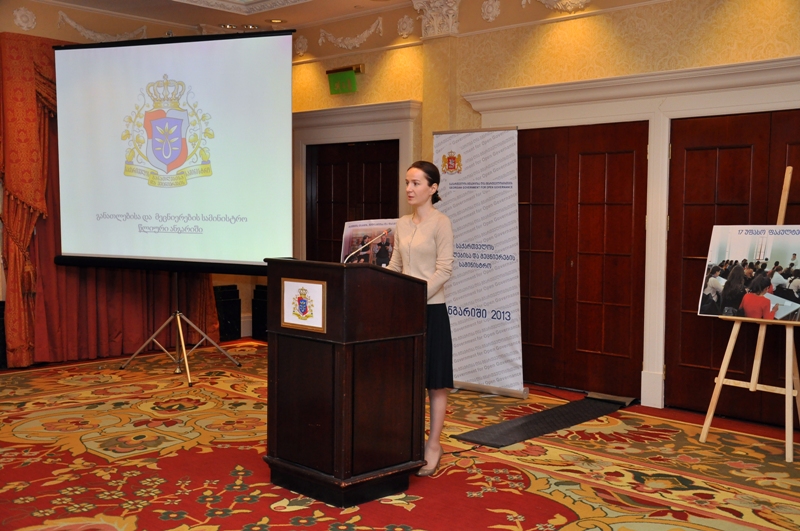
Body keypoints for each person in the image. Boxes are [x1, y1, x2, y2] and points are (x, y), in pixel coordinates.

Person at [387, 160, 454, 477]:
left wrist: (416, 295)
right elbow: (395, 265)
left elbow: (444, 270)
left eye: (415, 183)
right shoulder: (401, 223)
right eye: (407, 183)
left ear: (433, 188)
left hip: (431, 310)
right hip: (404, 311)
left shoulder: (442, 223)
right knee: (405, 380)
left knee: (435, 383)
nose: (409, 189)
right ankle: (404, 440)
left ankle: (433, 444)